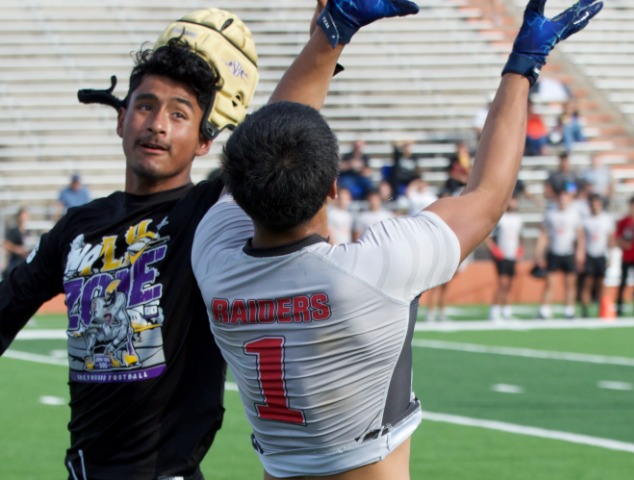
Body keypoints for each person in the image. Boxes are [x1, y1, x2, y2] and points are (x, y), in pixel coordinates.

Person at [191, 2, 602, 478]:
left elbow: (263, 147)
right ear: (333, 188)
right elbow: (488, 196)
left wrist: (328, 37)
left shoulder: (213, 257)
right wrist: (524, 66)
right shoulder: (369, 274)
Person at [0, 3, 354, 478]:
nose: (158, 124)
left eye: (179, 114)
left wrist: (328, 40)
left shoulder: (207, 215)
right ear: (122, 119)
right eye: (145, 106)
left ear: (205, 141)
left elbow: (278, 131)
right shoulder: (77, 226)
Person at [534, 189, 586, 319]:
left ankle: (569, 310)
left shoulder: (574, 214)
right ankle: (545, 310)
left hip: (568, 252)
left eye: (565, 199)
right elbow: (544, 234)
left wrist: (580, 252)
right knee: (549, 283)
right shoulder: (551, 213)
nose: (563, 201)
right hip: (554, 252)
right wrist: (538, 252)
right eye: (561, 199)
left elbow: (580, 236)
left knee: (570, 283)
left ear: (570, 200)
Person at [485, 196, 525, 321]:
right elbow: (487, 235)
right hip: (501, 255)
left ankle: (507, 310)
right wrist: (494, 249)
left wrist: (520, 249)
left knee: (510, 284)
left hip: (512, 254)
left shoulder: (519, 219)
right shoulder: (500, 218)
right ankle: (494, 310)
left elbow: (521, 236)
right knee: (502, 283)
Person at [579, 193, 614, 317]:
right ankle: (585, 310)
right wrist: (581, 255)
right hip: (589, 254)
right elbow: (582, 239)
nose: (595, 206)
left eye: (597, 203)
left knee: (600, 283)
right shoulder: (586, 220)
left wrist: (611, 255)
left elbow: (610, 239)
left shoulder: (606, 219)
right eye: (593, 203)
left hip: (601, 254)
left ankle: (601, 308)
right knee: (587, 283)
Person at [615, 194, 634, 316]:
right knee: (623, 282)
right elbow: (617, 238)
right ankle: (619, 306)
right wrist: (624, 244)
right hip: (627, 256)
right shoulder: (624, 221)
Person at [2, 207, 31, 281]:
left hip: (24, 262)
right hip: (14, 263)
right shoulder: (13, 231)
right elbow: (6, 244)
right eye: (22, 216)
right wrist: (17, 250)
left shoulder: (27, 231)